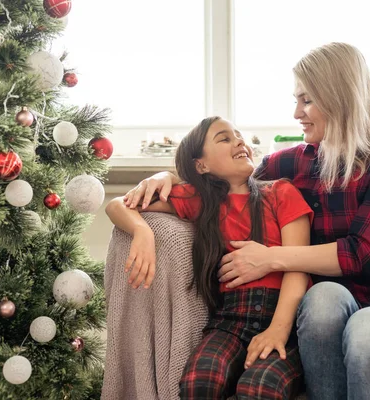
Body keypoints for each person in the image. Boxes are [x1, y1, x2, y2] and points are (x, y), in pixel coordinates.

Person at [123, 42, 370, 400]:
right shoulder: (287, 165)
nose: (297, 112)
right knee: (324, 296)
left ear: (339, 97)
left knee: (366, 328)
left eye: (306, 100)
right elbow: (223, 180)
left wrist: (271, 257)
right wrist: (165, 177)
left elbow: (360, 254)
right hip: (325, 312)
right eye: (297, 100)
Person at [106, 116, 313, 400]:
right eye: (224, 138)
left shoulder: (281, 192)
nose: (239, 141)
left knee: (259, 389)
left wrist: (278, 330)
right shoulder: (200, 201)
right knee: (199, 384)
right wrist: (142, 231)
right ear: (201, 165)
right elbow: (118, 205)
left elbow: (298, 265)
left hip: (284, 319)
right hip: (231, 319)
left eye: (239, 135)